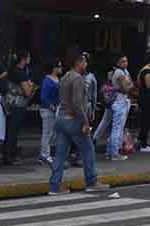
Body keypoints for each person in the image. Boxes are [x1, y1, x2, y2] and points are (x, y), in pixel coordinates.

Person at [48, 53, 110, 195]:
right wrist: (85, 122)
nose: (86, 64)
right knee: (88, 149)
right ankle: (92, 182)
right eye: (84, 62)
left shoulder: (64, 77)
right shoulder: (77, 79)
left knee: (60, 154)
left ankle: (54, 186)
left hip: (61, 118)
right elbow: (77, 103)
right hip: (73, 119)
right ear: (78, 62)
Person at [95, 55, 133, 161]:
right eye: (123, 61)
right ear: (117, 62)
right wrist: (128, 85)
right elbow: (126, 88)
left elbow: (128, 85)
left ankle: (107, 150)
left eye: (126, 61)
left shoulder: (118, 72)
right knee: (117, 128)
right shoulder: (120, 73)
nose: (126, 63)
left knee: (106, 124)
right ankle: (114, 153)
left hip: (113, 101)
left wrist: (127, 85)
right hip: (119, 102)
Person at [2, 52, 34, 166]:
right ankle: (10, 157)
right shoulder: (21, 74)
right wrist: (31, 86)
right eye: (28, 57)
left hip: (8, 103)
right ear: (24, 59)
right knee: (13, 131)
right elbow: (27, 92)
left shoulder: (10, 71)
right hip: (18, 105)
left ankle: (7, 155)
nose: (30, 59)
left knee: (9, 130)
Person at [37, 61, 63, 164]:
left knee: (53, 133)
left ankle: (45, 153)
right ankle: (45, 155)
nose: (61, 68)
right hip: (48, 110)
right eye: (59, 66)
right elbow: (44, 96)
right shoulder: (47, 81)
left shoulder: (57, 80)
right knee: (47, 132)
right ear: (54, 68)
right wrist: (51, 106)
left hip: (55, 109)